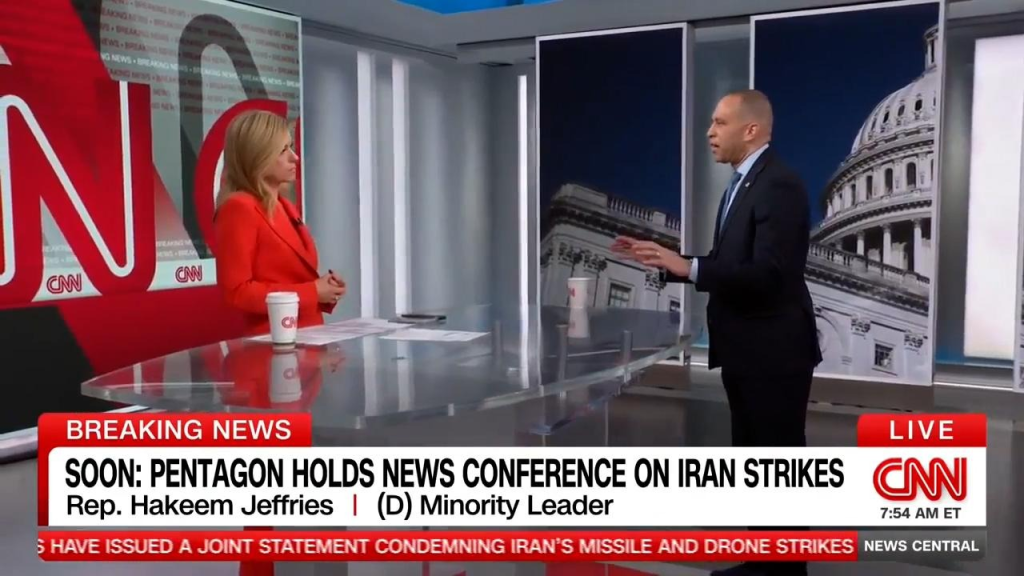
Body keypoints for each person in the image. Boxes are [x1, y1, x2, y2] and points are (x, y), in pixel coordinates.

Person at [613, 89, 821, 576]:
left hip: (774, 353)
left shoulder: (779, 185)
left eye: (719, 123)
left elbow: (769, 274)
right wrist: (670, 263)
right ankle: (761, 563)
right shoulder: (742, 185)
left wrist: (689, 268)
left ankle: (784, 572)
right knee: (755, 462)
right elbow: (733, 264)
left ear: (751, 130)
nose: (709, 132)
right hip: (747, 350)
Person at [214, 110, 345, 336]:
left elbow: (296, 278)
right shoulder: (239, 208)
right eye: (283, 150)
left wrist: (326, 290)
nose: (295, 157)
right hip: (271, 340)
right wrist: (313, 292)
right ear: (257, 156)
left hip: (307, 336)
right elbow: (237, 292)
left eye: (290, 147)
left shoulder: (285, 206)